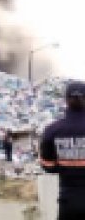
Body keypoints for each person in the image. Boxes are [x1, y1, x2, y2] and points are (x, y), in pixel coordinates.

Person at [39, 80, 85, 220]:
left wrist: (65, 165)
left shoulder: (52, 130)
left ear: (66, 100)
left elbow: (47, 165)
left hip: (68, 199)